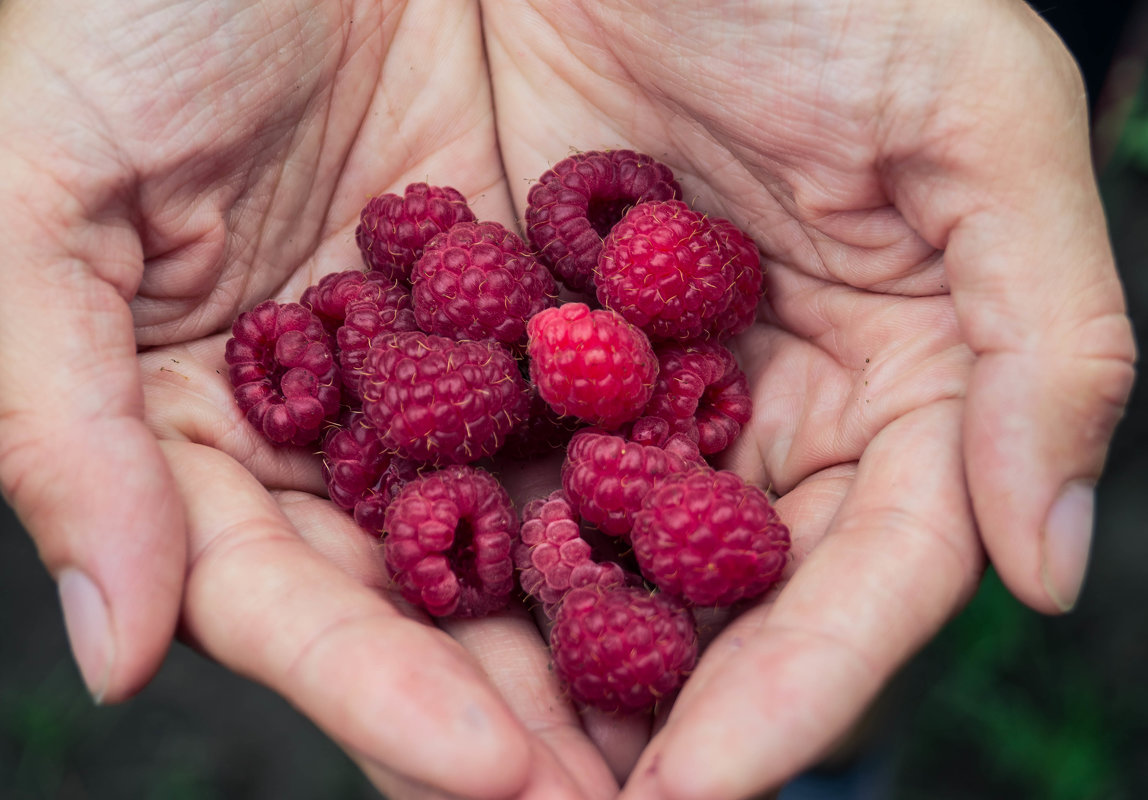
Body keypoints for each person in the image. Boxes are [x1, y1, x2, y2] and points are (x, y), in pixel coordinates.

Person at [0, 1, 1135, 798]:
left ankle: (827, 754)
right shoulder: (457, 358)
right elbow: (444, 383)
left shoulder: (591, 365)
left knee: (849, 639)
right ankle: (820, 762)